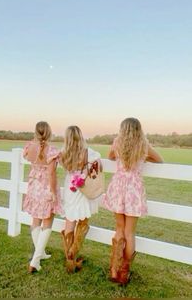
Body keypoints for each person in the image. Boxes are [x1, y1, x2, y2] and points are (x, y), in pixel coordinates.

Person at [102, 117, 163, 285]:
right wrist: (143, 157)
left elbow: (110, 156)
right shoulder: (143, 145)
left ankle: (114, 269)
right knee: (130, 232)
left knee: (119, 228)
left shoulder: (117, 142)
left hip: (118, 186)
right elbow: (160, 159)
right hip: (133, 190)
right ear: (139, 129)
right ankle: (124, 272)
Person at [60, 125, 102, 273]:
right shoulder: (88, 153)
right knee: (83, 220)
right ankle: (73, 252)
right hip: (82, 187)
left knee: (69, 220)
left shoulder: (64, 154)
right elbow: (99, 164)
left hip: (70, 188)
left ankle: (68, 258)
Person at [23, 121, 62, 273]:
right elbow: (51, 173)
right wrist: (53, 191)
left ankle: (41, 253)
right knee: (47, 221)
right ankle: (35, 260)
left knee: (35, 220)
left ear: (35, 132)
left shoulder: (29, 147)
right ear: (49, 132)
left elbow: (30, 159)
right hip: (46, 187)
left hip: (34, 187)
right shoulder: (51, 150)